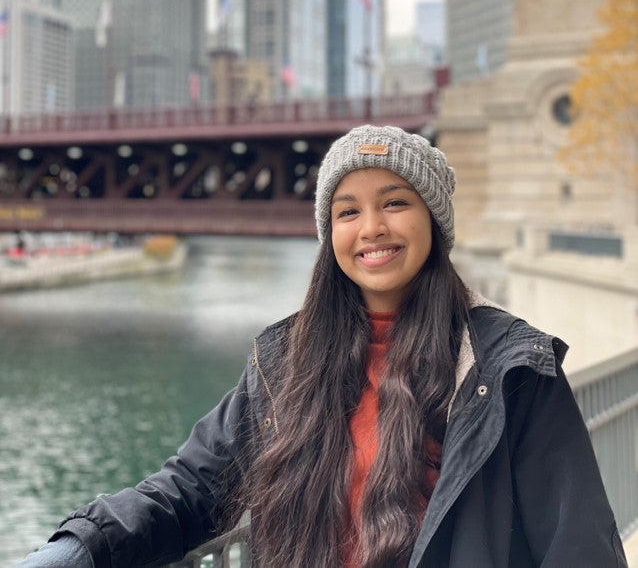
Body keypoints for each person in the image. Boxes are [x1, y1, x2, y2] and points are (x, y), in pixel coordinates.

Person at [15, 125, 628, 568]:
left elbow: (579, 546)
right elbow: (191, 488)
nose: (372, 229)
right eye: (347, 211)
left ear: (433, 223)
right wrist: (81, 545)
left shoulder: (510, 369)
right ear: (328, 232)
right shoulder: (285, 362)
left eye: (395, 203)